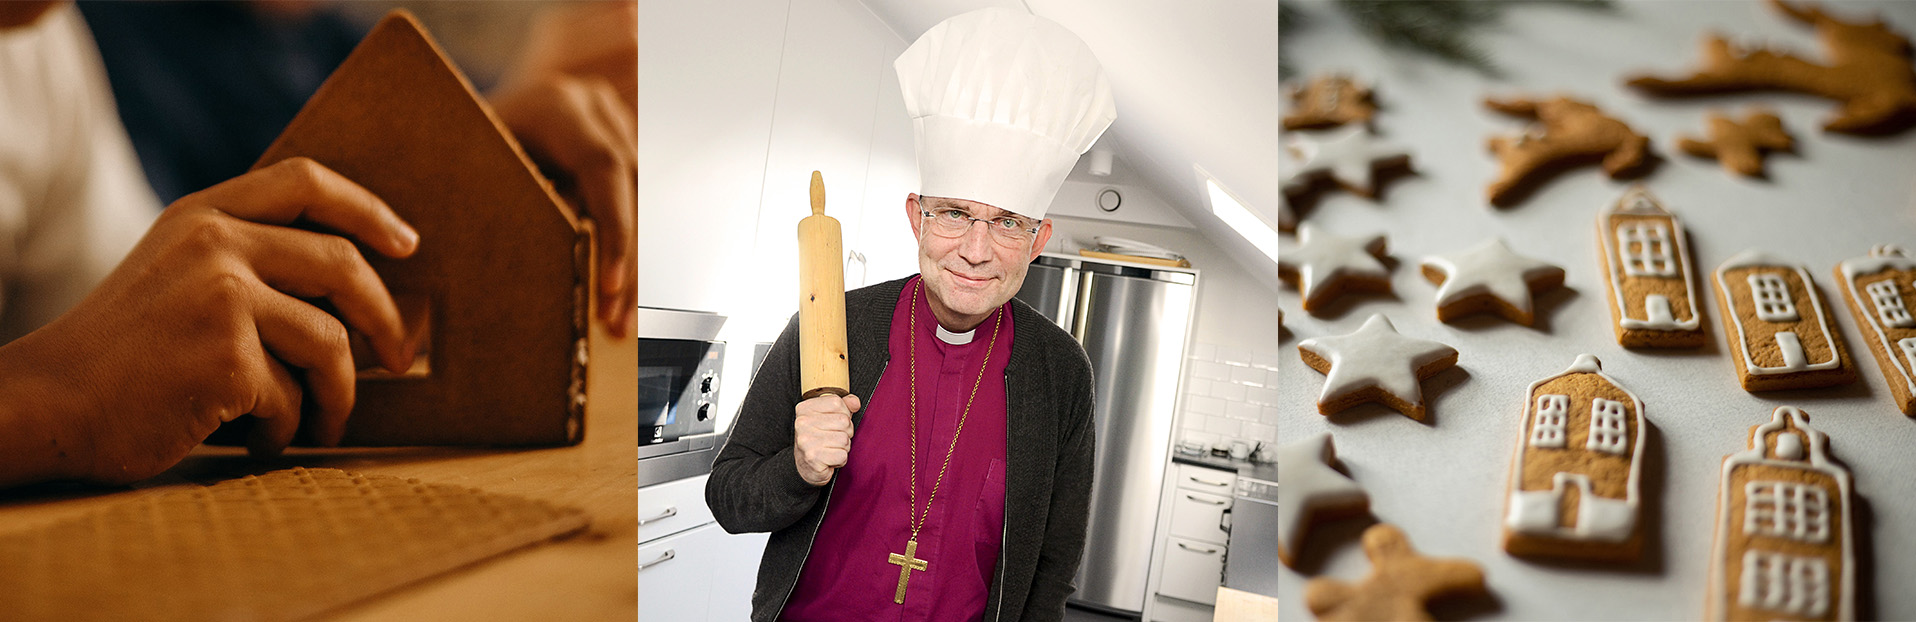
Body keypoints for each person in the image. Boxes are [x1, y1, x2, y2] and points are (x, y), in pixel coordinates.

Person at [0, 1, 632, 488]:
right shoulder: (124, 40)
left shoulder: (44, 45)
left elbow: (150, 324)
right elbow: (105, 363)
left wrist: (466, 158)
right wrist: (52, 400)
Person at [706, 8, 1117, 621]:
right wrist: (798, 469)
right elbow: (727, 497)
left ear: (1038, 239)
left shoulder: (1059, 370)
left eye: (1007, 223)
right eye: (953, 213)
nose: (976, 250)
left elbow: (1054, 566)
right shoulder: (833, 324)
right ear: (915, 217)